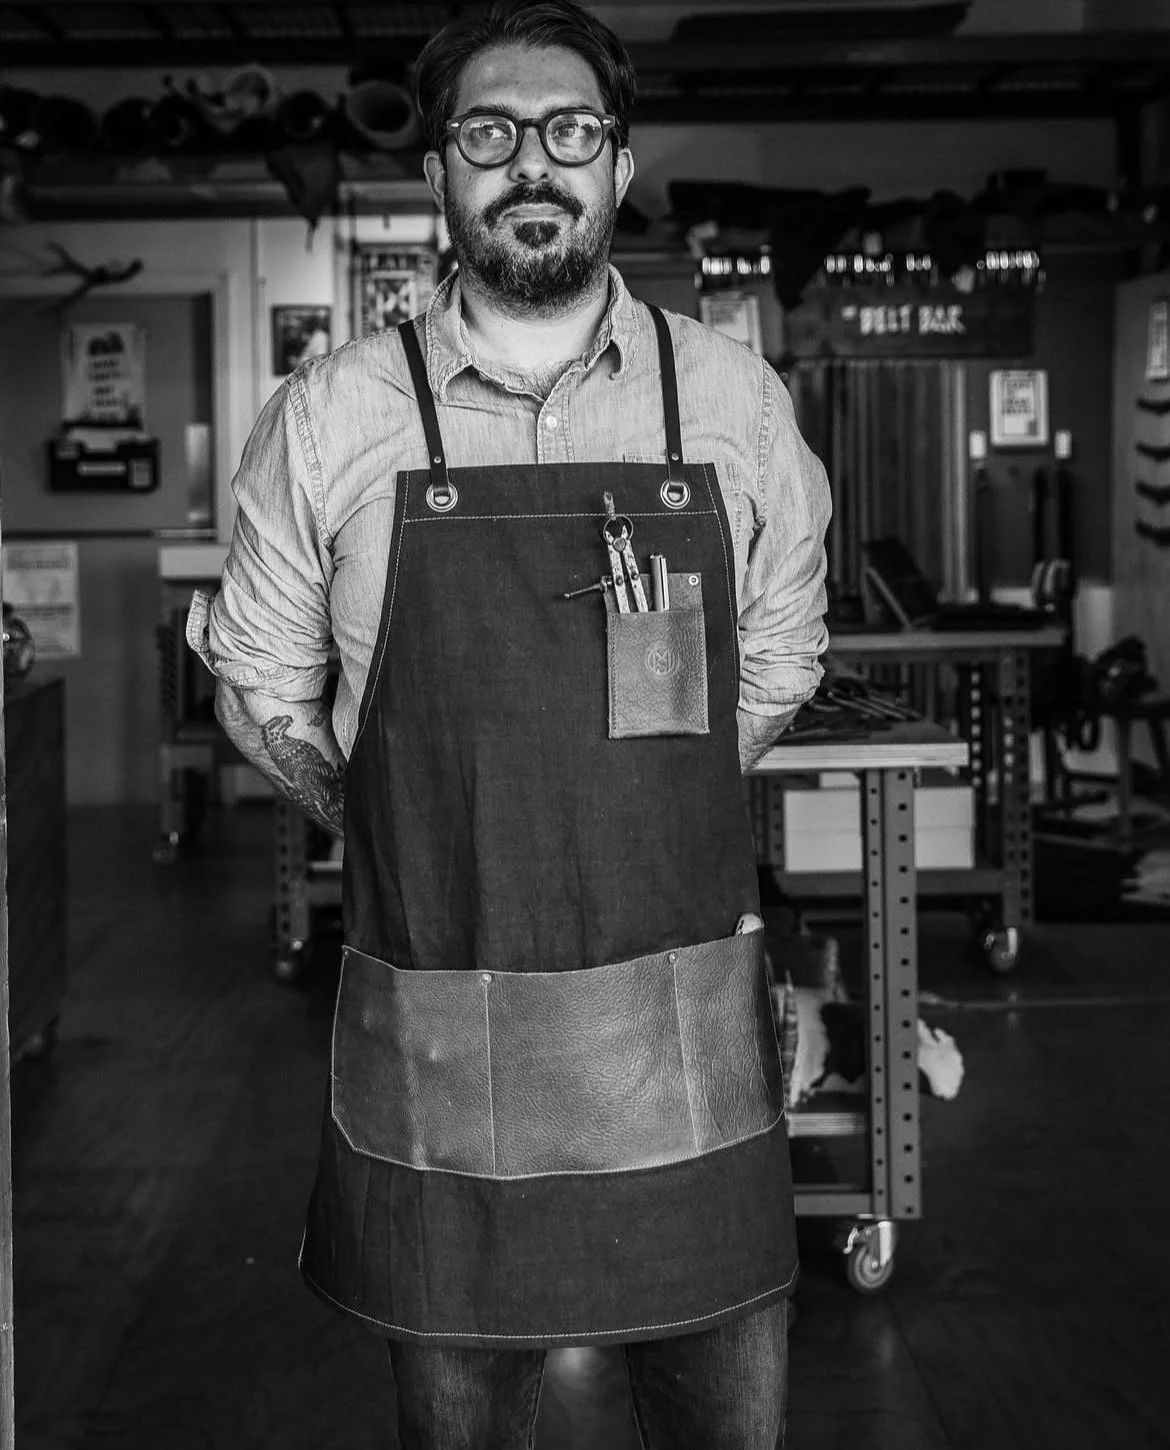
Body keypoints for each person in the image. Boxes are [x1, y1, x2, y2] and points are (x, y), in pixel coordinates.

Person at [187, 1, 831, 1444]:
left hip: (682, 1049)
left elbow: (782, 651)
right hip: (444, 1036)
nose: (527, 164)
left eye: (567, 132)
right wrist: (401, 816)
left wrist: (641, 800)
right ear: (439, 173)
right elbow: (261, 685)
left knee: (721, 1417)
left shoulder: (728, 404)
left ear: (616, 164)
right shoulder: (334, 418)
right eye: (486, 132)